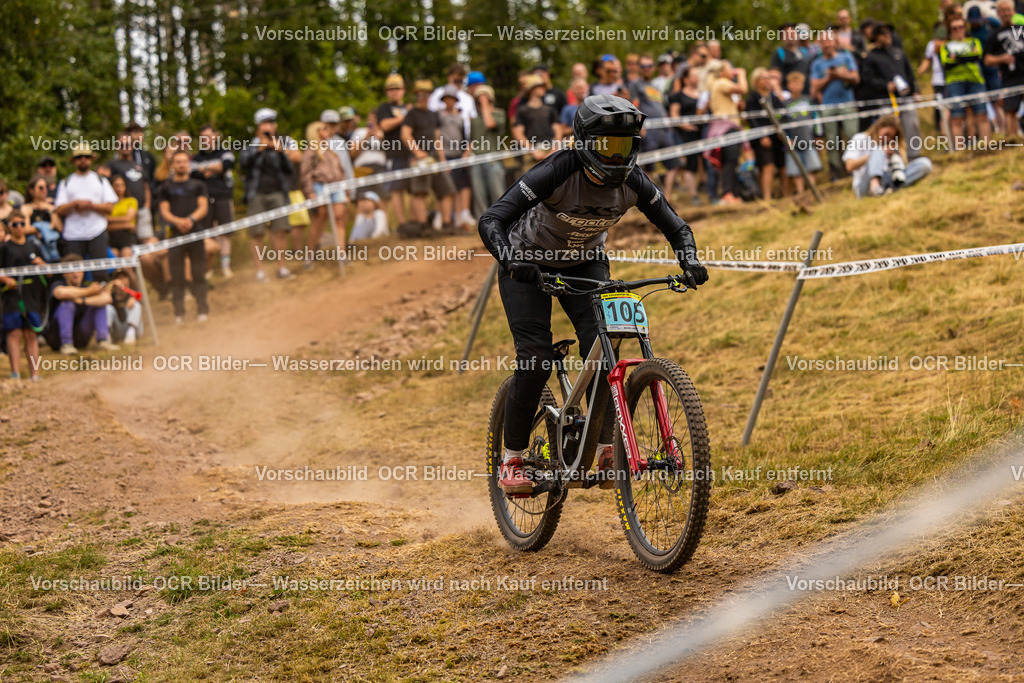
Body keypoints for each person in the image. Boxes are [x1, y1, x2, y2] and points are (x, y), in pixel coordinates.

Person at [477, 95, 708, 493]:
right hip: (528, 265)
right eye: (607, 147)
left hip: (585, 263)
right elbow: (493, 218)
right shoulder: (557, 169)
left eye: (626, 147)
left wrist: (689, 261)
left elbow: (677, 228)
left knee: (605, 350)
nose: (617, 157)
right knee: (534, 359)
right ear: (584, 141)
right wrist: (511, 259)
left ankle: (602, 447)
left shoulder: (634, 182)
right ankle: (512, 458)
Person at [239, 108, 299, 281]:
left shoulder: (281, 143)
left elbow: (289, 169)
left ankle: (282, 268)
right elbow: (243, 164)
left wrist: (279, 151)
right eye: (265, 123)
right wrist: (259, 148)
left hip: (278, 192)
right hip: (256, 193)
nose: (269, 127)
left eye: (271, 123)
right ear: (258, 127)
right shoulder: (250, 145)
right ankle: (260, 271)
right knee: (256, 233)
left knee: (280, 230)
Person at [158, 150, 209, 324]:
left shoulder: (198, 185)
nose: (182, 165)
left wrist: (191, 220)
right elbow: (164, 211)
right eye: (178, 162)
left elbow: (203, 207)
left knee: (198, 273)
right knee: (177, 276)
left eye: (184, 162)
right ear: (172, 165)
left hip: (195, 233)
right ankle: (179, 313)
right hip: (175, 235)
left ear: (188, 164)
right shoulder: (166, 188)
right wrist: (178, 222)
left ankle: (203, 309)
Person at [53, 141, 117, 277]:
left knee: (100, 273)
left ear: (91, 160)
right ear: (74, 160)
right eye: (79, 157)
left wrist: (91, 206)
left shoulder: (100, 180)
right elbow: (59, 209)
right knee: (75, 275)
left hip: (97, 231)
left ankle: (103, 297)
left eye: (86, 157)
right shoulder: (66, 182)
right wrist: (75, 204)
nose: (83, 160)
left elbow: (110, 208)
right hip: (73, 234)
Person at [402, 79, 457, 234]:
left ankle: (447, 225)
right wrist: (417, 151)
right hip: (420, 159)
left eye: (425, 94)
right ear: (416, 96)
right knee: (420, 191)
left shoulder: (433, 115)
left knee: (447, 190)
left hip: (434, 157)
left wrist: (443, 160)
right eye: (419, 94)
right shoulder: (411, 114)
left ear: (430, 95)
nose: (422, 97)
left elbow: (436, 138)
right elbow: (405, 134)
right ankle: (423, 226)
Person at [0, 214, 47, 379]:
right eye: (15, 224)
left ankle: (35, 373)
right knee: (14, 333)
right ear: (10, 227)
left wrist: (42, 265)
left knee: (31, 334)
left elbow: (48, 273)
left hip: (32, 296)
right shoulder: (4, 248)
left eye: (22, 223)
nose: (19, 227)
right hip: (11, 296)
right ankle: (15, 373)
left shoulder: (34, 246)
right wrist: (6, 279)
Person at [810, 29, 860, 179]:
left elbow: (856, 78)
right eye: (823, 41)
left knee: (852, 136)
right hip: (827, 106)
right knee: (832, 141)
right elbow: (814, 88)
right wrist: (829, 77)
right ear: (819, 44)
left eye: (829, 40)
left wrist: (840, 74)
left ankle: (855, 168)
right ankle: (837, 173)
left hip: (847, 103)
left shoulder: (846, 57)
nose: (826, 44)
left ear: (835, 42)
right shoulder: (816, 64)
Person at [842, 114, 932, 198]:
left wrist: (898, 154)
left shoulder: (891, 144)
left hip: (888, 180)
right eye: (887, 134)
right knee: (878, 150)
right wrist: (872, 156)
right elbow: (849, 166)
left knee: (924, 163)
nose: (888, 139)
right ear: (880, 127)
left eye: (892, 137)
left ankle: (890, 190)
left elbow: (903, 168)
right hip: (865, 185)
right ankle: (875, 186)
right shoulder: (860, 138)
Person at [46, 254, 120, 354]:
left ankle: (103, 341)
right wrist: (89, 292)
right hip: (56, 339)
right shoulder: (58, 284)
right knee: (68, 303)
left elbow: (107, 298)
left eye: (78, 269)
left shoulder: (86, 286)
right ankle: (66, 344)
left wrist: (83, 301)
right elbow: (61, 293)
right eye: (72, 270)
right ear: (64, 273)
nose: (75, 274)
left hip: (81, 337)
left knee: (100, 304)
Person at [300, 120, 348, 268]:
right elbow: (305, 172)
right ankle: (309, 255)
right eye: (324, 128)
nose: (328, 130)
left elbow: (341, 170)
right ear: (316, 132)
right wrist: (310, 191)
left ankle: (342, 254)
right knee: (319, 218)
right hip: (319, 186)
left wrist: (346, 190)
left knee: (339, 217)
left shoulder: (330, 150)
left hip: (336, 185)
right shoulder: (311, 151)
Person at [192, 124, 236, 278]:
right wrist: (214, 168)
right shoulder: (196, 158)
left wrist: (205, 169)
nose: (207, 140)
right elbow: (195, 174)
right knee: (208, 233)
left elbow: (227, 165)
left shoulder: (225, 152)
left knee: (225, 233)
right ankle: (209, 269)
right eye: (203, 138)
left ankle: (226, 267)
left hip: (223, 197)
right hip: (204, 200)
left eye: (209, 137)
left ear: (215, 136)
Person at [941, 15, 992, 147]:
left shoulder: (974, 41)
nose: (958, 30)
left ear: (965, 27)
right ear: (950, 30)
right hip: (954, 82)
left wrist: (957, 57)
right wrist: (966, 56)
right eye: (955, 28)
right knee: (957, 116)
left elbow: (976, 56)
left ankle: (987, 146)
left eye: (961, 27)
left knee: (982, 113)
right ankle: (959, 150)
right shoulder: (945, 45)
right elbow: (947, 63)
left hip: (975, 80)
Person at [703, 60, 748, 205]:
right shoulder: (722, 82)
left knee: (733, 160)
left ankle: (732, 194)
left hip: (728, 127)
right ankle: (727, 194)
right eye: (730, 68)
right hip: (726, 128)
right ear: (721, 72)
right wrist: (741, 74)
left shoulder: (719, 84)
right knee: (730, 160)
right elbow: (743, 89)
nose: (733, 71)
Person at [100, 129, 152, 245]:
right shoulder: (112, 165)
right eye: (122, 144)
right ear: (117, 146)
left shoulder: (139, 166)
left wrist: (147, 205)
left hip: (141, 208)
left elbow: (146, 186)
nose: (125, 147)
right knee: (126, 242)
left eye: (128, 144)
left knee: (146, 241)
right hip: (122, 209)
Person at [468, 84, 509, 219]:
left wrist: (485, 104)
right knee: (479, 193)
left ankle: (501, 219)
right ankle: (482, 221)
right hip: (476, 159)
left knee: (497, 192)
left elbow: (489, 124)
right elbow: (473, 139)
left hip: (493, 160)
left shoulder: (498, 114)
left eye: (484, 98)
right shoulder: (474, 119)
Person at [745, 68, 786, 201]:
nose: (768, 80)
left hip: (777, 137)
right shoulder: (752, 98)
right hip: (761, 138)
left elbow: (783, 113)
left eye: (769, 77)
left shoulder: (772, 97)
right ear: (756, 81)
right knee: (767, 166)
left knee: (783, 166)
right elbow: (752, 119)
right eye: (765, 78)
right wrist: (762, 136)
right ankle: (767, 198)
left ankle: (786, 196)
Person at [375, 74, 412, 225]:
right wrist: (404, 116)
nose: (394, 92)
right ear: (386, 92)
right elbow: (384, 125)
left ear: (403, 90)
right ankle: (402, 223)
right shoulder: (384, 108)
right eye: (390, 89)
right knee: (397, 189)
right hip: (394, 154)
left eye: (397, 88)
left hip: (410, 153)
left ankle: (415, 221)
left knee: (414, 189)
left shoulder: (409, 107)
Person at [985, 0, 1024, 137]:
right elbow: (987, 59)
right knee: (1010, 110)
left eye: (1009, 10)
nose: (1006, 13)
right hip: (1009, 78)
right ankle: (1013, 141)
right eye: (1003, 10)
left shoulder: (1022, 28)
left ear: (1013, 11)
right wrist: (1001, 58)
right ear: (998, 13)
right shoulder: (994, 35)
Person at [438, 86, 475, 230]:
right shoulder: (439, 116)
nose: (449, 101)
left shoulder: (460, 117)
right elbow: (436, 137)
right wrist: (442, 158)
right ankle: (446, 217)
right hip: (445, 155)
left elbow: (466, 137)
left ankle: (462, 216)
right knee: (449, 187)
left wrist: (465, 154)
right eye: (447, 99)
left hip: (459, 155)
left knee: (462, 185)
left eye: (452, 99)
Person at [782, 72, 822, 195]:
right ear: (788, 85)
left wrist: (818, 135)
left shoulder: (808, 100)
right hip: (793, 142)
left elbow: (816, 119)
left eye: (799, 83)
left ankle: (812, 191)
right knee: (796, 169)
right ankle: (800, 193)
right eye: (794, 83)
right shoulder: (785, 104)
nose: (797, 86)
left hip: (809, 139)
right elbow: (782, 124)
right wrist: (787, 139)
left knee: (811, 167)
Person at [512, 75, 559, 166]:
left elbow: (558, 129)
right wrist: (532, 150)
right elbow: (518, 133)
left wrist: (554, 149)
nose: (543, 88)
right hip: (530, 154)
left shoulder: (550, 109)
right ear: (532, 89)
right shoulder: (522, 110)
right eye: (540, 86)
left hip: (550, 151)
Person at [21, 176, 61, 262]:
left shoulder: (51, 207)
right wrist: (44, 227)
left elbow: (60, 228)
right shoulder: (27, 208)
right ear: (31, 191)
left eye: (46, 187)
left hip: (53, 250)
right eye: (40, 187)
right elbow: (25, 229)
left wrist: (52, 211)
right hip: (35, 249)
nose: (44, 190)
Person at [106, 175, 138, 258]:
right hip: (111, 239)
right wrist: (125, 225)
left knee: (126, 264)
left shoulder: (131, 200)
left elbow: (129, 218)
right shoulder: (107, 204)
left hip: (127, 238)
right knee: (114, 264)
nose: (119, 188)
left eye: (122, 185)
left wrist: (111, 220)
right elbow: (105, 224)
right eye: (116, 185)